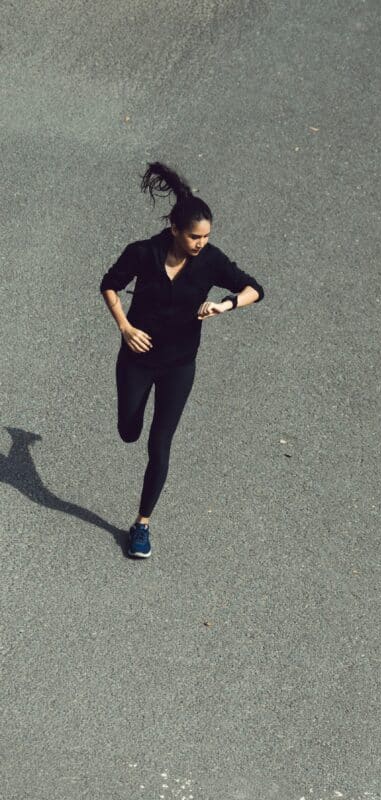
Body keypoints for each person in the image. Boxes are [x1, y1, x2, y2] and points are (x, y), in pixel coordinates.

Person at [100, 162, 264, 559]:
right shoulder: (143, 253)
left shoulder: (210, 261)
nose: (201, 243)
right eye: (194, 236)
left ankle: (142, 525)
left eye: (206, 236)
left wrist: (225, 306)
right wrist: (124, 326)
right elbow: (109, 284)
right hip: (137, 358)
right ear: (174, 229)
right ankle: (129, 423)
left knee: (160, 444)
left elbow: (254, 289)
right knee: (128, 431)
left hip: (179, 365)